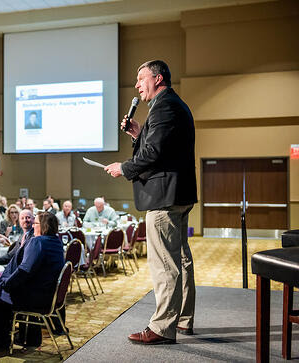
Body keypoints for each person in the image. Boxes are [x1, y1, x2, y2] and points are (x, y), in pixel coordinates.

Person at [104, 60, 197, 344]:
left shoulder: (164, 106)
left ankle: (161, 327)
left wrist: (125, 167)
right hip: (178, 193)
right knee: (180, 259)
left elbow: (154, 154)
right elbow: (161, 146)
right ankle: (182, 319)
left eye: (141, 78)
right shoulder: (171, 105)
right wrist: (138, 132)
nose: (136, 85)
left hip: (164, 197)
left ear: (157, 79)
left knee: (164, 264)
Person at [0, 212, 65, 348]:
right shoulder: (56, 241)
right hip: (49, 294)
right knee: (2, 294)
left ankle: (0, 339)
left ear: (43, 226)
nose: (33, 226)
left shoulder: (37, 241)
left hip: (36, 298)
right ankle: (24, 336)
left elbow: (24, 270)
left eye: (36, 223)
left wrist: (6, 284)